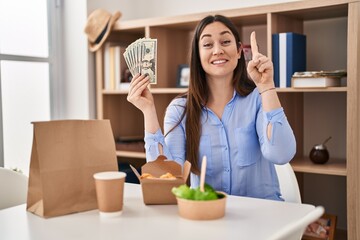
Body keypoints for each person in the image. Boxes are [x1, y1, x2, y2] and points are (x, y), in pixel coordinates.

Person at [127, 15, 296, 200]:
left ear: (239, 51)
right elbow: (166, 179)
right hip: (209, 216)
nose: (217, 50)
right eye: (207, 44)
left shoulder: (258, 98)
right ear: (198, 55)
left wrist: (267, 86)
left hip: (262, 217)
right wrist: (148, 111)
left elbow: (281, 154)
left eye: (225, 41)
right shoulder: (180, 110)